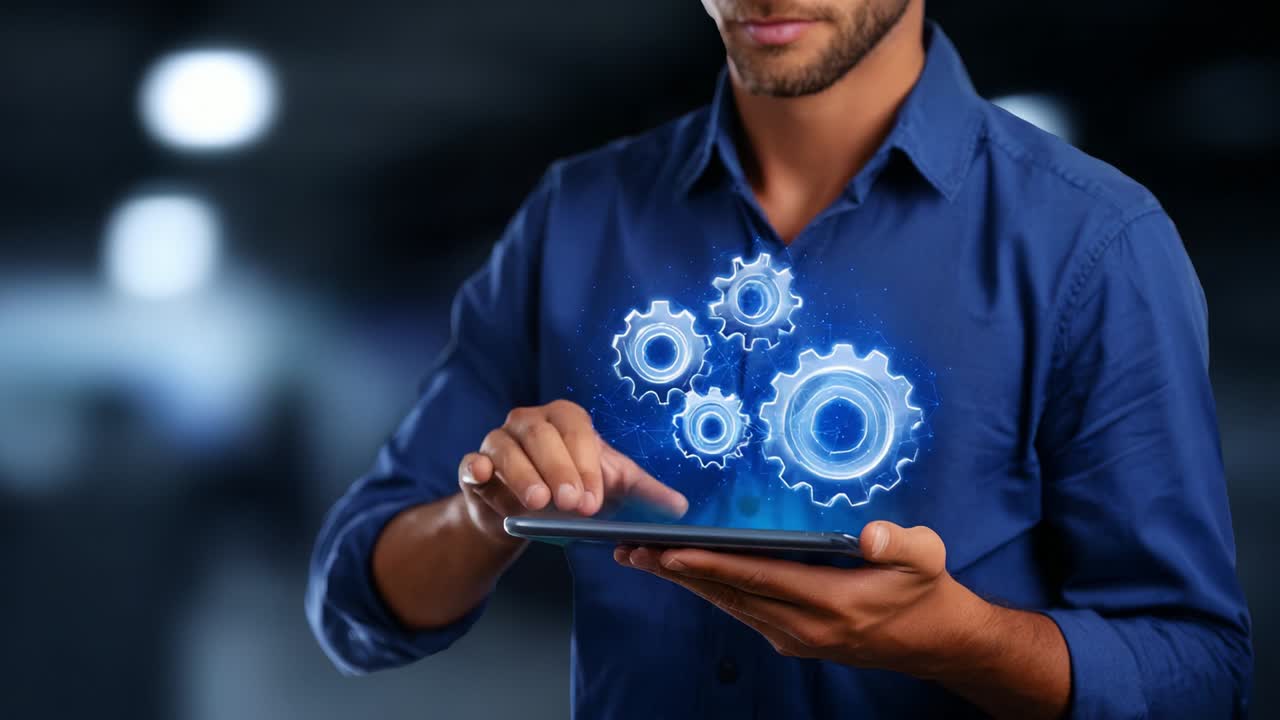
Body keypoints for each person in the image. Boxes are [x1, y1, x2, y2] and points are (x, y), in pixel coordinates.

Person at [305, 1, 1253, 717]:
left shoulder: (1090, 239)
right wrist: (482, 514)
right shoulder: (579, 214)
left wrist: (963, 641)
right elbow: (357, 599)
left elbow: (1199, 668)